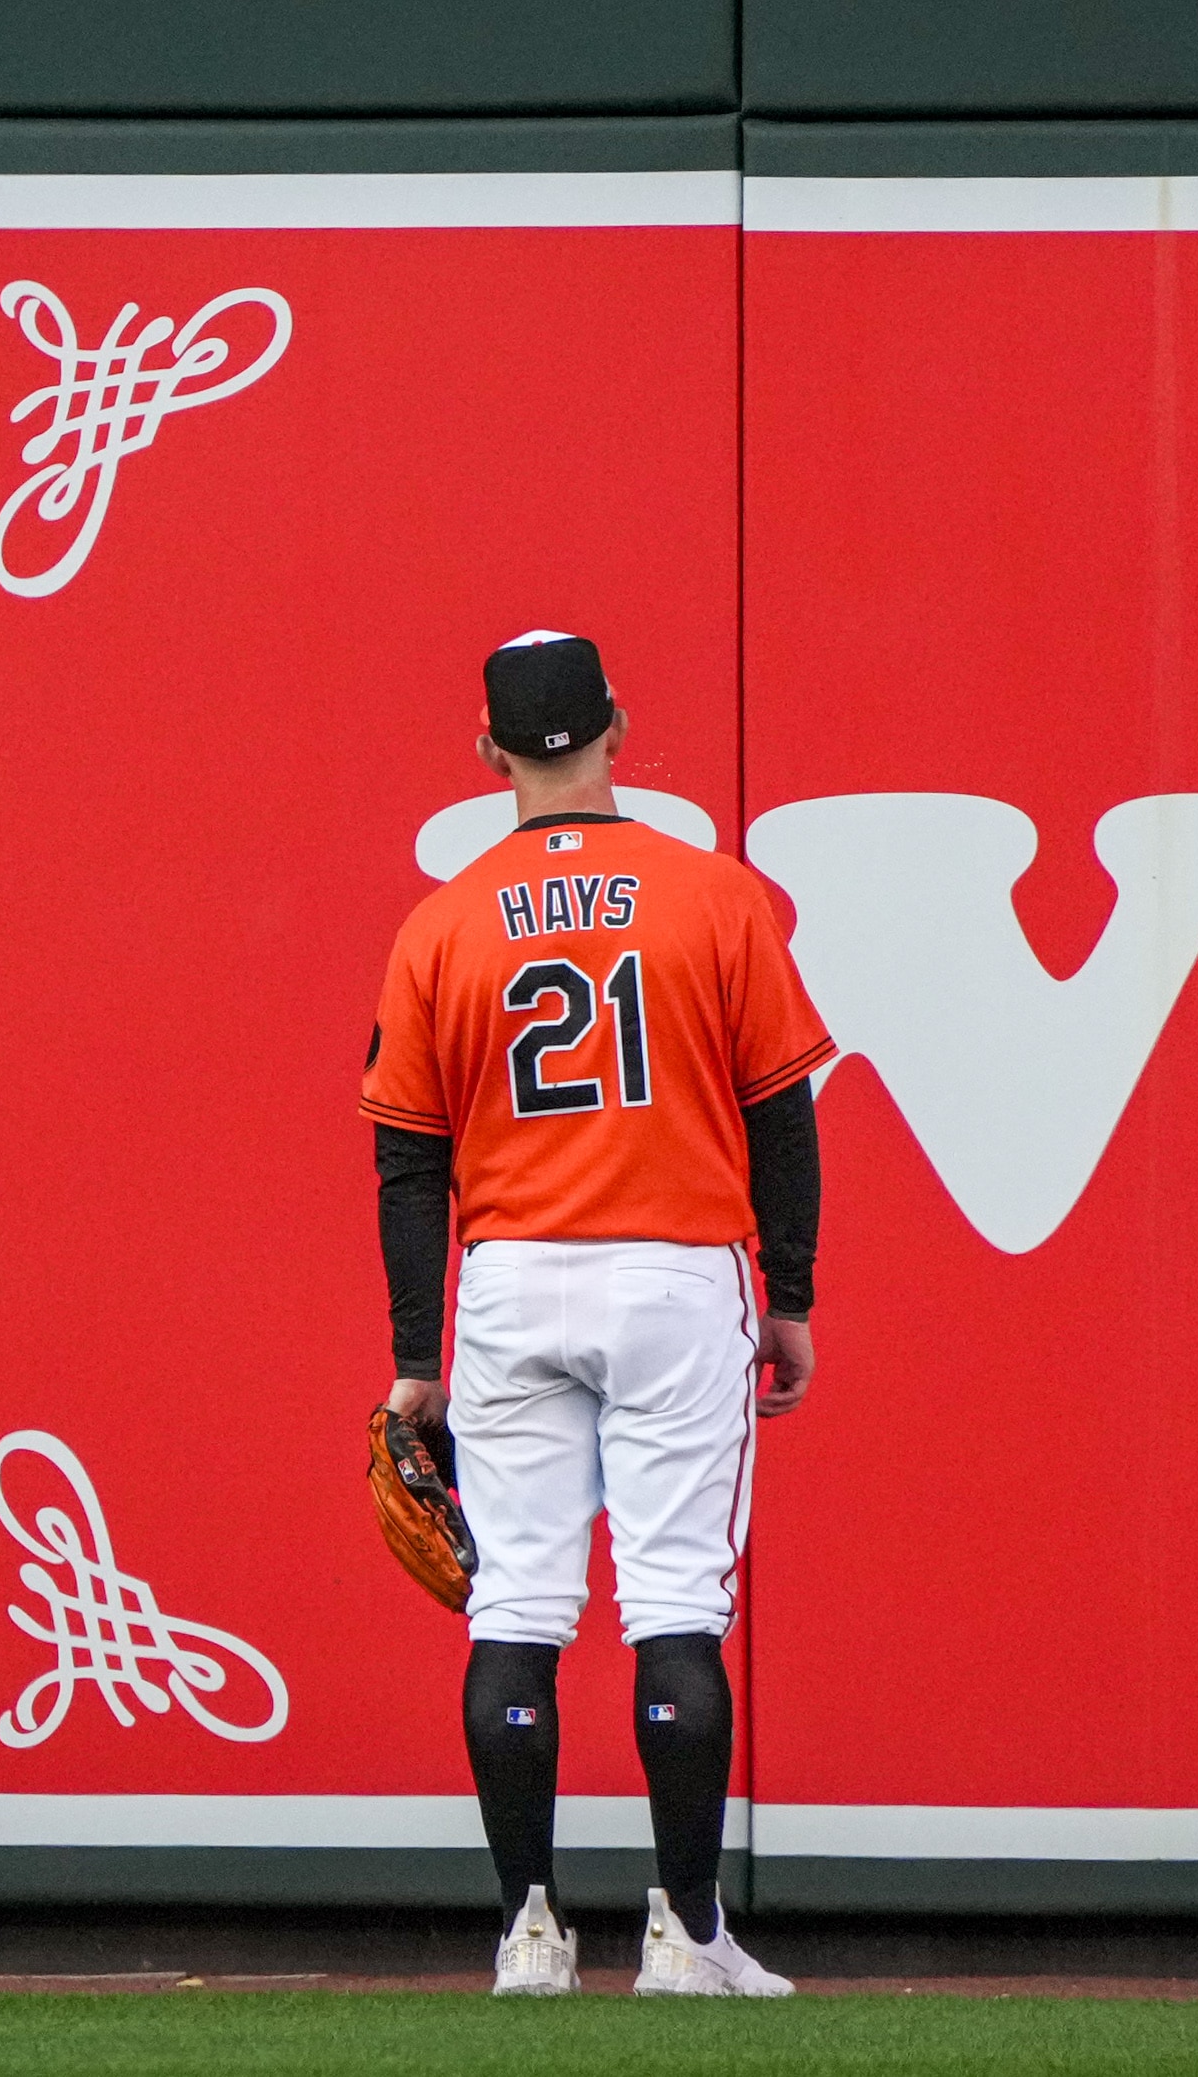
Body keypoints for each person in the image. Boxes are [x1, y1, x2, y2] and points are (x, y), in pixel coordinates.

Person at [360, 631, 832, 1999]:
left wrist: (411, 1358)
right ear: (619, 725)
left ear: (489, 753)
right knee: (674, 1605)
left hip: (512, 1281)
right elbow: (780, 1116)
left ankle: (528, 1932)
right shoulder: (714, 897)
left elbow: (406, 1155)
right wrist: (788, 1292)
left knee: (518, 1606)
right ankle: (687, 1935)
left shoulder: (443, 922)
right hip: (676, 1273)